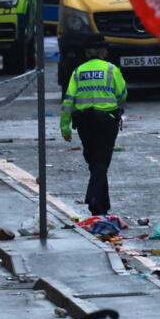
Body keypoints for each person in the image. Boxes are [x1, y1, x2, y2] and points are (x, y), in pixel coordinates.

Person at [60, 35, 127, 217]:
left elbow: (69, 100)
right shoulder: (111, 70)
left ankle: (101, 206)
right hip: (106, 119)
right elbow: (123, 93)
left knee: (93, 161)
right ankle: (93, 198)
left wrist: (64, 127)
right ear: (102, 51)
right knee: (101, 162)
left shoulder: (78, 71)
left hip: (83, 121)